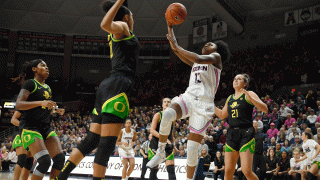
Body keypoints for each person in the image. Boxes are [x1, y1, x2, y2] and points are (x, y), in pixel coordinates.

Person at [55, 0, 140, 180]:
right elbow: (104, 24)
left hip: (107, 86)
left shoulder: (120, 32)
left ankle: (61, 177)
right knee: (107, 145)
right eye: (132, 15)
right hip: (119, 84)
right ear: (126, 17)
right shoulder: (123, 26)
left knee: (91, 140)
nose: (133, 19)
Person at [146, 15, 231, 180]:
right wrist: (170, 27)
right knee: (168, 114)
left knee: (192, 148)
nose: (208, 43)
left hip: (204, 105)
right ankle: (161, 151)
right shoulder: (196, 63)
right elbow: (177, 51)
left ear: (216, 50)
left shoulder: (216, 59)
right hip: (189, 97)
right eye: (207, 43)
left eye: (212, 44)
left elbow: (198, 57)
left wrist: (177, 45)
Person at [15, 59, 65, 180]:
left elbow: (43, 108)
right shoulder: (30, 83)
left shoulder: (48, 87)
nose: (47, 68)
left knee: (60, 159)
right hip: (30, 126)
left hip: (45, 127)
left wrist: (55, 110)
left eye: (47, 66)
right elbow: (19, 104)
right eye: (43, 65)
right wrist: (41, 102)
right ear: (34, 69)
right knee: (44, 161)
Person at [214, 73, 268, 180]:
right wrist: (211, 105)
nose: (236, 80)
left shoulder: (249, 94)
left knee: (246, 171)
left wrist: (252, 100)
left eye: (239, 79)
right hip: (232, 133)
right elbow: (222, 115)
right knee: (228, 172)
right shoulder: (230, 98)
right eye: (235, 79)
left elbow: (265, 109)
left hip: (246, 132)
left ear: (245, 84)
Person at [148, 98, 176, 180]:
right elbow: (152, 130)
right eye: (165, 102)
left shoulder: (173, 118)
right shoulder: (158, 115)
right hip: (156, 143)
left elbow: (171, 132)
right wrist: (163, 138)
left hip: (167, 143)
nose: (167, 103)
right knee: (154, 170)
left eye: (169, 102)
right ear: (162, 104)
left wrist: (173, 143)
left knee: (171, 169)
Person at [11, 110, 34, 180]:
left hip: (31, 134)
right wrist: (25, 125)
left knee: (29, 161)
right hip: (19, 133)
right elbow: (13, 120)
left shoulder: (38, 110)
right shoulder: (23, 106)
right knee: (22, 158)